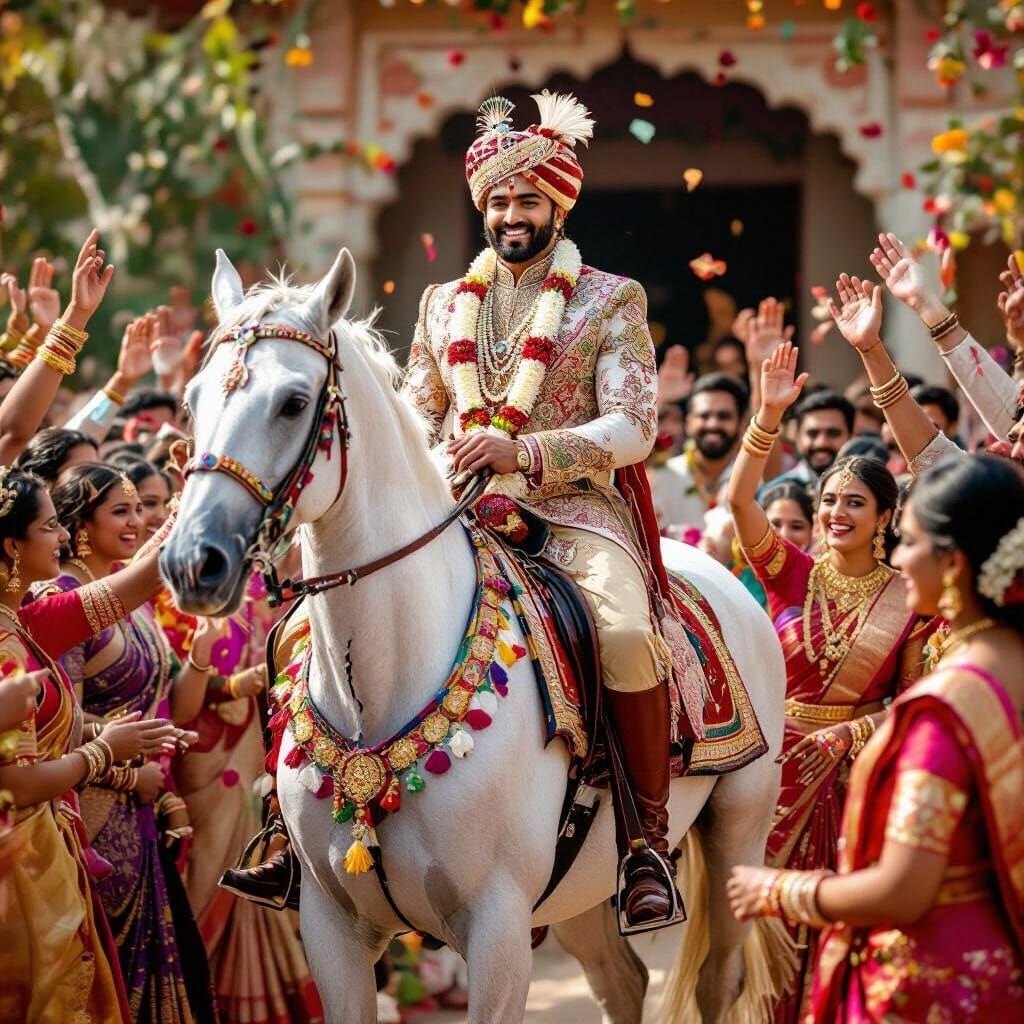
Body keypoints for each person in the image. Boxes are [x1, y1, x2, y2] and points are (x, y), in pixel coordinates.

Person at [727, 454, 1024, 1022]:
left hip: (935, 984)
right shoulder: (1001, 676)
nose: (902, 557)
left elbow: (902, 887)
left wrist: (776, 892)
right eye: (830, 501)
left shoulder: (947, 709)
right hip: (998, 957)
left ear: (955, 562)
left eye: (908, 539)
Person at [727, 343, 934, 1022]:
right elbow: (739, 501)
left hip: (855, 779)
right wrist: (767, 415)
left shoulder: (911, 598)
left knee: (841, 928)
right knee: (764, 937)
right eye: (827, 501)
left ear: (883, 518)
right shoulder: (791, 572)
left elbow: (911, 703)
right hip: (777, 777)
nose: (835, 512)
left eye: (853, 503)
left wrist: (850, 732)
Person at [0, 464, 180, 1022]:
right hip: (21, 870)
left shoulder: (27, 623)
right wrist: (106, 753)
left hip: (56, 851)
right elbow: (15, 782)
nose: (63, 536)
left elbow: (141, 579)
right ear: (11, 546)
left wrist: (211, 487)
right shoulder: (8, 644)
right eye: (51, 526)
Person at [45, 463, 218, 1024]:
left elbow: (153, 710)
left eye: (139, 510)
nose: (137, 521)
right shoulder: (62, 600)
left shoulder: (131, 602)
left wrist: (159, 787)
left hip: (140, 813)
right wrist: (125, 772)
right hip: (88, 811)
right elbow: (54, 727)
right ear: (78, 527)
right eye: (120, 511)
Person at [653, 372, 747, 535]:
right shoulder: (660, 476)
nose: (713, 424)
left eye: (724, 416)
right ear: (688, 422)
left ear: (741, 424)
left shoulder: (750, 479)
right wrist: (659, 399)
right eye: (704, 415)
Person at [764, 389, 854, 491]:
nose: (821, 443)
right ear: (797, 437)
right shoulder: (776, 492)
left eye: (833, 433)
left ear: (851, 437)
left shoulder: (864, 490)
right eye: (812, 434)